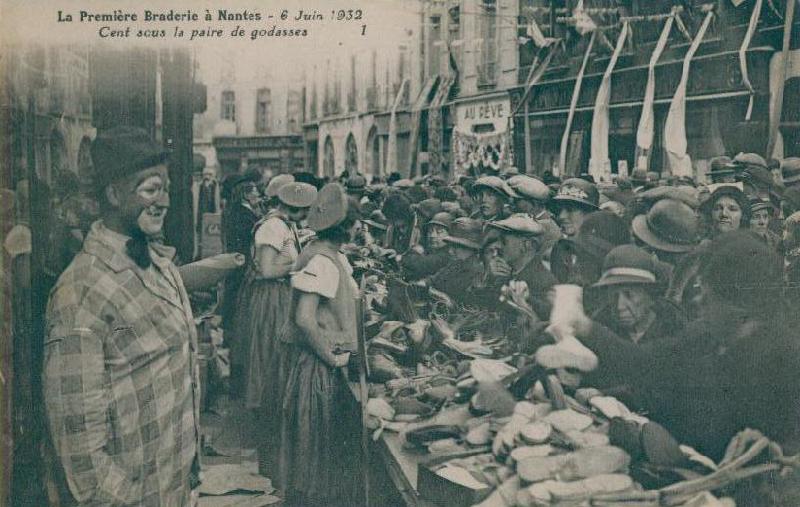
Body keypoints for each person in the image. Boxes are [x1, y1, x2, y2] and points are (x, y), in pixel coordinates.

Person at [43, 126, 200, 505]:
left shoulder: (160, 266)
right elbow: (80, 449)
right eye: (150, 189)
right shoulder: (79, 292)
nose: (163, 201)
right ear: (113, 194)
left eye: (165, 188)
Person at [278, 183, 361, 506]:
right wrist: (330, 357)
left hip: (322, 361)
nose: (360, 228)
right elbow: (304, 318)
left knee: (317, 448)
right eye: (357, 223)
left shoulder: (323, 253)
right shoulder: (323, 262)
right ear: (346, 227)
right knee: (317, 449)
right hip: (319, 367)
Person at [233, 182, 317, 477]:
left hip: (278, 296)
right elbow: (268, 270)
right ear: (294, 207)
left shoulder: (283, 225)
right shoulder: (271, 228)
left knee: (275, 358)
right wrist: (300, 264)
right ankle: (267, 433)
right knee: (270, 359)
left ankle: (272, 429)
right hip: (270, 299)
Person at [402, 211, 453, 281]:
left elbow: (418, 264)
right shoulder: (432, 250)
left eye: (439, 232)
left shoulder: (446, 255)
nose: (432, 235)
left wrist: (414, 252)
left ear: (450, 235)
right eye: (430, 231)